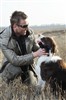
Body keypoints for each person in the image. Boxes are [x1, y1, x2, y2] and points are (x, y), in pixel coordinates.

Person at [0, 11, 46, 85]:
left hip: (27, 65)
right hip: (13, 66)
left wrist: (42, 46)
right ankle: (6, 82)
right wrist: (35, 54)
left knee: (33, 86)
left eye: (27, 25)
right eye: (24, 26)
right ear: (15, 26)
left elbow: (35, 48)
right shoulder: (3, 38)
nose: (27, 28)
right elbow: (14, 60)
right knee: (16, 70)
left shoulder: (30, 32)